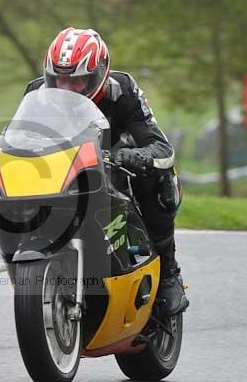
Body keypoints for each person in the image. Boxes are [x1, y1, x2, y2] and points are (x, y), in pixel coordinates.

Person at [24, 27, 188, 316]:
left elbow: (161, 147)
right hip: (61, 176)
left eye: (78, 81)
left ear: (99, 74)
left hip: (115, 173)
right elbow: (19, 140)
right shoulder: (36, 94)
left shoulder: (122, 90)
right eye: (60, 80)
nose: (68, 89)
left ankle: (168, 272)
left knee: (160, 179)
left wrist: (135, 156)